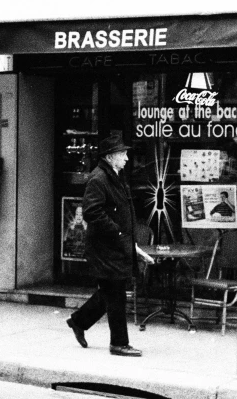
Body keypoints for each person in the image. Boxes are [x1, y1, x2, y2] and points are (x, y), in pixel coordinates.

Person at [66, 134, 154, 357]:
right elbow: (91, 212)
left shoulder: (114, 176)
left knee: (110, 292)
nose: (126, 158)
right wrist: (118, 231)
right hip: (105, 247)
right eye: (122, 154)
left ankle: (78, 321)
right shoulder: (99, 179)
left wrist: (131, 242)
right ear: (110, 156)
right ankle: (118, 343)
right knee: (115, 294)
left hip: (116, 245)